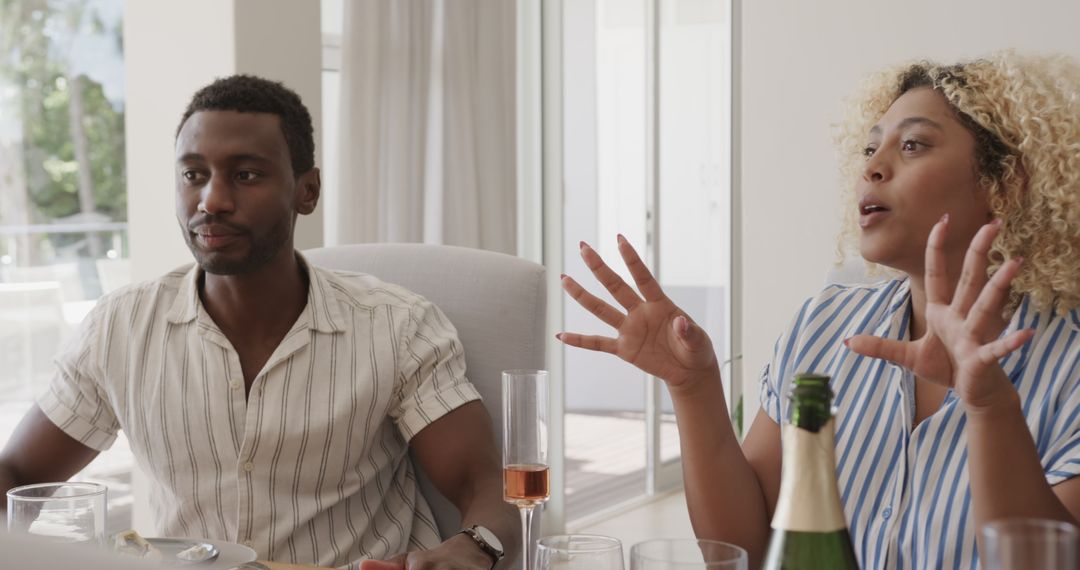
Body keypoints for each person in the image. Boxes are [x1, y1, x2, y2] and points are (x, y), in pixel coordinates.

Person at [558, 51, 1080, 569]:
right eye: (870, 148)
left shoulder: (1071, 363)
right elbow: (753, 547)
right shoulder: (824, 326)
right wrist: (693, 389)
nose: (872, 168)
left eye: (914, 145)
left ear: (1004, 184)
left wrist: (989, 406)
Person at [0, 75, 516, 570]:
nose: (212, 201)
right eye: (193, 175)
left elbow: (485, 484)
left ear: (306, 191)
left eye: (246, 175)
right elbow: (19, 474)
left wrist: (473, 549)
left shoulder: (399, 326)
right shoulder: (120, 328)